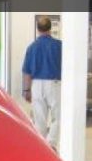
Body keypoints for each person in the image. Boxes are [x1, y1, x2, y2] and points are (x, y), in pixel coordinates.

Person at [22, 17, 62, 149]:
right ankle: (51, 143)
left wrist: (26, 90)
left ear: (37, 29)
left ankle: (42, 146)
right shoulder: (59, 46)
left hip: (36, 85)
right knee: (58, 116)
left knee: (39, 118)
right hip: (54, 84)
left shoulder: (31, 47)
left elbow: (27, 72)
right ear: (50, 28)